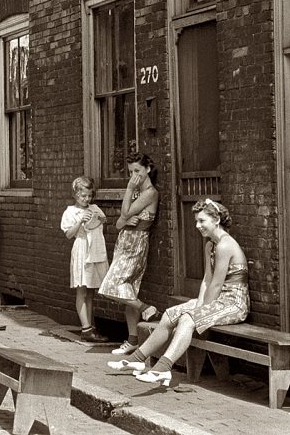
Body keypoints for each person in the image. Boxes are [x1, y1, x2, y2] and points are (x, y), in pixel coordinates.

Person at [108, 199, 249, 385]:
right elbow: (207, 280)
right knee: (170, 314)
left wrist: (200, 312)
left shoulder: (225, 245)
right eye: (197, 221)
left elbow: (216, 285)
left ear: (216, 220)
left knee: (188, 319)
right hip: (218, 300)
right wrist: (199, 303)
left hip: (234, 303)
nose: (198, 226)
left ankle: (164, 368)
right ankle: (137, 360)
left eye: (202, 221)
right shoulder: (211, 245)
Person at [99, 152, 160, 355]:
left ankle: (146, 309)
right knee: (128, 291)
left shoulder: (149, 193)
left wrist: (128, 189)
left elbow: (124, 214)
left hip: (136, 243)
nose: (134, 176)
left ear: (147, 169)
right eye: (130, 172)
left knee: (111, 286)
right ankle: (133, 339)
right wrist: (125, 220)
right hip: (124, 241)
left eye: (137, 171)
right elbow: (118, 223)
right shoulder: (135, 193)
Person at [61, 177, 109, 343]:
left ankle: (89, 327)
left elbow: (103, 222)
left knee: (90, 290)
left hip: (94, 250)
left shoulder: (94, 207)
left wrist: (100, 218)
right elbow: (68, 234)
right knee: (81, 288)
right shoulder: (70, 212)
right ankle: (85, 328)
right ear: (75, 195)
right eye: (83, 196)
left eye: (89, 196)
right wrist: (81, 221)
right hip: (81, 249)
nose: (87, 199)